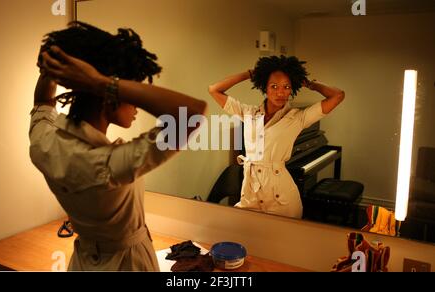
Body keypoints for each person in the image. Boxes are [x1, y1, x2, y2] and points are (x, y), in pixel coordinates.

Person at [30, 21, 207, 271]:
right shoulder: (108, 165)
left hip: (82, 263)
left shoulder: (43, 141)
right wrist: (102, 83)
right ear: (110, 99)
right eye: (130, 93)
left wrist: (53, 66)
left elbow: (42, 102)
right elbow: (191, 115)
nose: (135, 105)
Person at [208, 55, 344, 219]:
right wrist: (250, 74)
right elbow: (214, 89)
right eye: (274, 86)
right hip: (250, 195)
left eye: (286, 87)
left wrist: (310, 84)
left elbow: (338, 95)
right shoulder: (248, 113)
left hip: (281, 200)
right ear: (264, 87)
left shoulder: (297, 118)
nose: (281, 92)